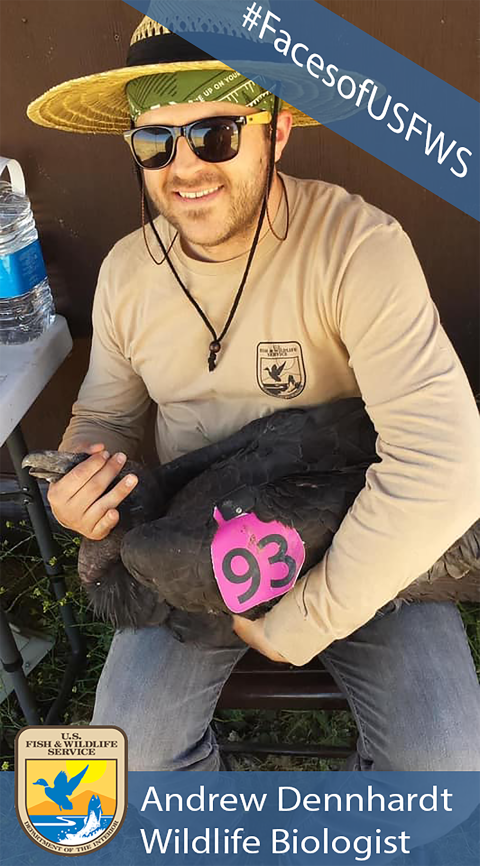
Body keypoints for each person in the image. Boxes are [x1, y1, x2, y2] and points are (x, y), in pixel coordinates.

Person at [28, 15, 480, 771]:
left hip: (351, 532)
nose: (185, 168)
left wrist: (308, 615)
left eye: (214, 134)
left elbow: (448, 460)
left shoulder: (358, 248)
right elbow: (106, 415)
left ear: (278, 130)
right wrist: (82, 481)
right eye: (155, 141)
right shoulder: (128, 272)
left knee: (446, 760)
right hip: (188, 539)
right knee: (130, 764)